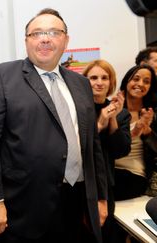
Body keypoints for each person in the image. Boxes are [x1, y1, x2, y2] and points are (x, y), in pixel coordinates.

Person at [0, 8, 107, 243]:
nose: (45, 38)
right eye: (37, 33)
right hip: (23, 208)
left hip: (76, 203)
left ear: (66, 40)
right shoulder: (1, 77)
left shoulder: (81, 84)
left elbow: (92, 147)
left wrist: (99, 197)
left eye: (53, 32)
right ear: (26, 41)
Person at [82, 59, 131, 243]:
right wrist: (100, 123)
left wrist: (112, 120)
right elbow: (80, 146)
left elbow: (120, 150)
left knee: (105, 234)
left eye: (105, 78)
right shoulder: (79, 110)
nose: (99, 82)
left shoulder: (122, 113)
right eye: (93, 77)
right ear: (84, 81)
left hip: (105, 184)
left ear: (111, 82)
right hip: (81, 182)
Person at [114, 64, 157, 201]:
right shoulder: (113, 108)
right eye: (136, 79)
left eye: (146, 81)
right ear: (127, 81)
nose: (140, 84)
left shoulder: (152, 114)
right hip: (109, 170)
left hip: (134, 175)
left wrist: (148, 132)